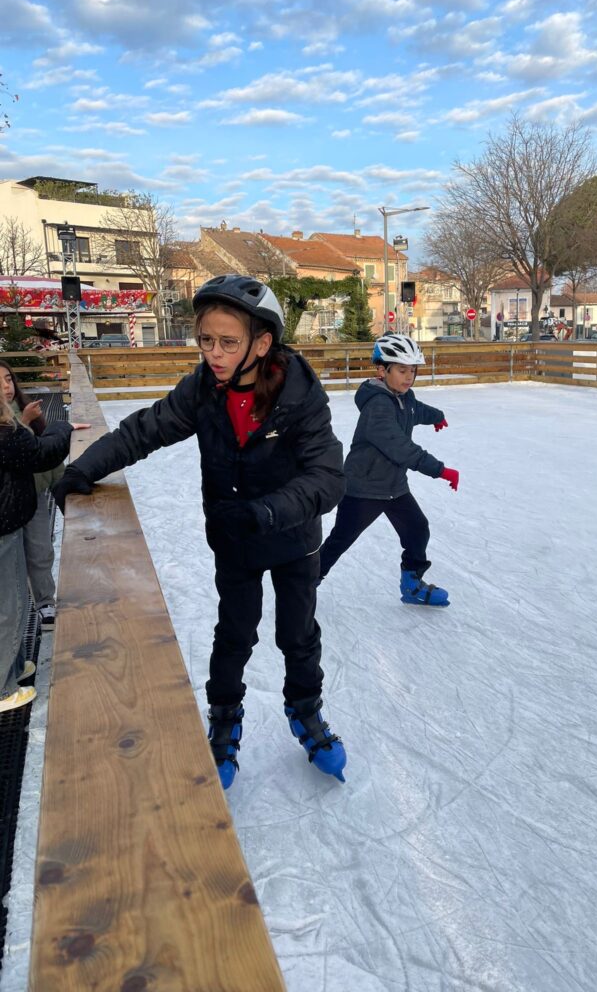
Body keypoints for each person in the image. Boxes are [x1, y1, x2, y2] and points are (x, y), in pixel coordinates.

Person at [53, 275, 347, 787]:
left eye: (228, 342)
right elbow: (146, 428)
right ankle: (225, 718)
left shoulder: (299, 394)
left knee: (297, 634)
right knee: (234, 633)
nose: (214, 353)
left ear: (262, 343)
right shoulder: (204, 389)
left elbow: (328, 477)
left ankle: (305, 709)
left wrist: (266, 512)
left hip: (293, 538)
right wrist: (85, 468)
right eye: (206, 340)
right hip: (235, 539)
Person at [319, 333, 459, 606]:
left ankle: (412, 586)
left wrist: (437, 416)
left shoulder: (403, 397)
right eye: (402, 370)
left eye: (412, 370)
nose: (409, 377)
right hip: (364, 488)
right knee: (340, 541)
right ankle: (304, 584)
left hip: (394, 487)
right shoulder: (378, 406)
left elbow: (415, 410)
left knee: (417, 530)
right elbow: (400, 448)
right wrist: (440, 470)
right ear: (382, 371)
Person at [0, 375, 88, 714]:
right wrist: (61, 428)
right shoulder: (5, 431)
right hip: (5, 524)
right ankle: (3, 688)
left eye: (8, 378)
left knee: (14, 599)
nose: (6, 386)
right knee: (9, 606)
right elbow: (41, 454)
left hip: (12, 517)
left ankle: (12, 667)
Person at [0, 360, 62, 629]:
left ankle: (45, 600)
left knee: (40, 549)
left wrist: (61, 484)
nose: (6, 387)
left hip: (33, 493)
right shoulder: (13, 418)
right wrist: (24, 421)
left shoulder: (23, 407)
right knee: (12, 562)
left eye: (8, 379)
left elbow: (42, 452)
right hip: (7, 503)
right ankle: (16, 622)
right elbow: (14, 449)